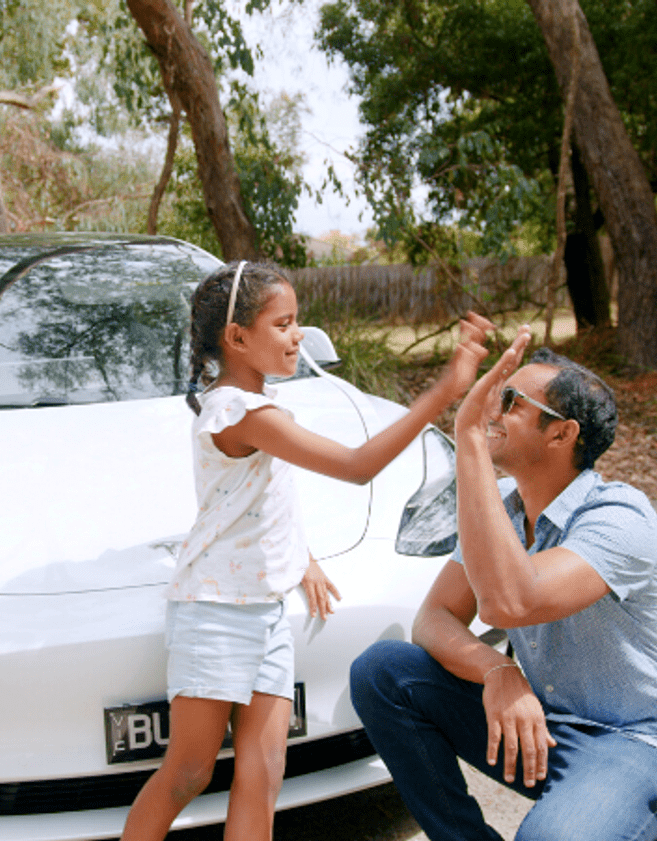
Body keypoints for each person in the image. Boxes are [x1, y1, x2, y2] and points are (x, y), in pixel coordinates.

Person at [119, 260, 494, 840]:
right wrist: (447, 389)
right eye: (283, 324)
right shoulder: (238, 411)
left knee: (265, 772)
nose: (298, 336)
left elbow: (255, 499)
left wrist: (303, 558)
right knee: (188, 772)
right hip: (215, 613)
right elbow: (357, 466)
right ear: (236, 337)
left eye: (298, 322)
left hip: (264, 611)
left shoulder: (253, 405)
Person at [349, 334, 657, 841]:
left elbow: (512, 602)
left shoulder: (621, 517)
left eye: (511, 401)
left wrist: (469, 438)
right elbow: (433, 619)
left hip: (644, 746)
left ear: (562, 434)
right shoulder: (501, 504)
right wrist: (498, 670)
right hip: (547, 731)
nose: (493, 410)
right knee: (385, 670)